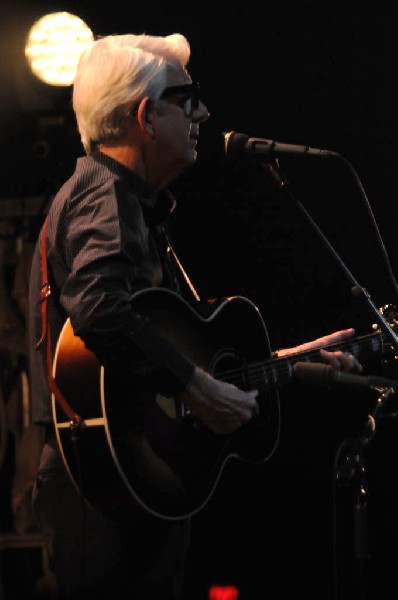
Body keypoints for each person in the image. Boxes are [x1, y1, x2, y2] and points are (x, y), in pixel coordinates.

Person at [28, 32, 363, 600]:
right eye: (188, 99)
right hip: (106, 493)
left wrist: (292, 363)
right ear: (145, 116)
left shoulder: (129, 203)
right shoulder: (104, 198)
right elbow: (101, 310)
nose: (204, 112)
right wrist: (195, 387)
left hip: (134, 483)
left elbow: (161, 349)